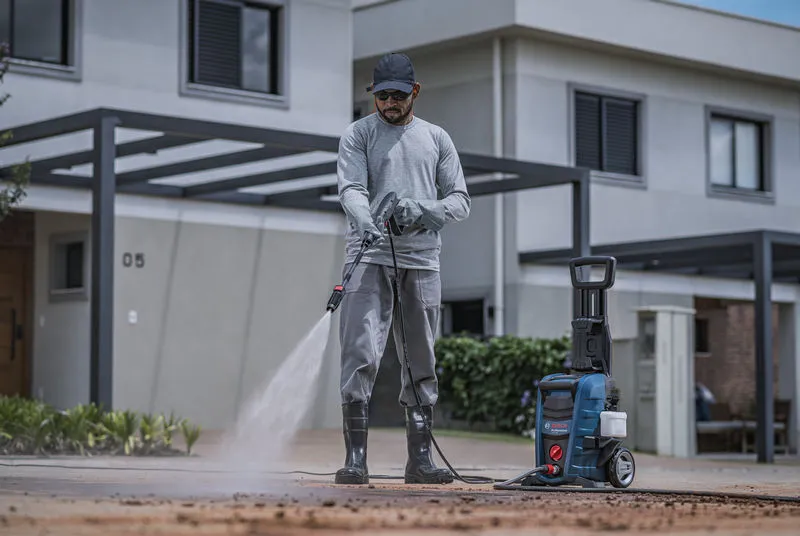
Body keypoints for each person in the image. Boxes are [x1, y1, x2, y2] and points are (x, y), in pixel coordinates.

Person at [334, 52, 471, 485]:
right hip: (368, 256)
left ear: (415, 91)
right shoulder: (358, 135)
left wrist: (422, 210)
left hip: (422, 261)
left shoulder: (437, 139)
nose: (389, 103)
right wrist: (365, 217)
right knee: (360, 350)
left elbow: (460, 201)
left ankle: (420, 461)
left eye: (397, 95)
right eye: (381, 96)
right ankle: (356, 459)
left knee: (421, 356)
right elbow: (351, 188)